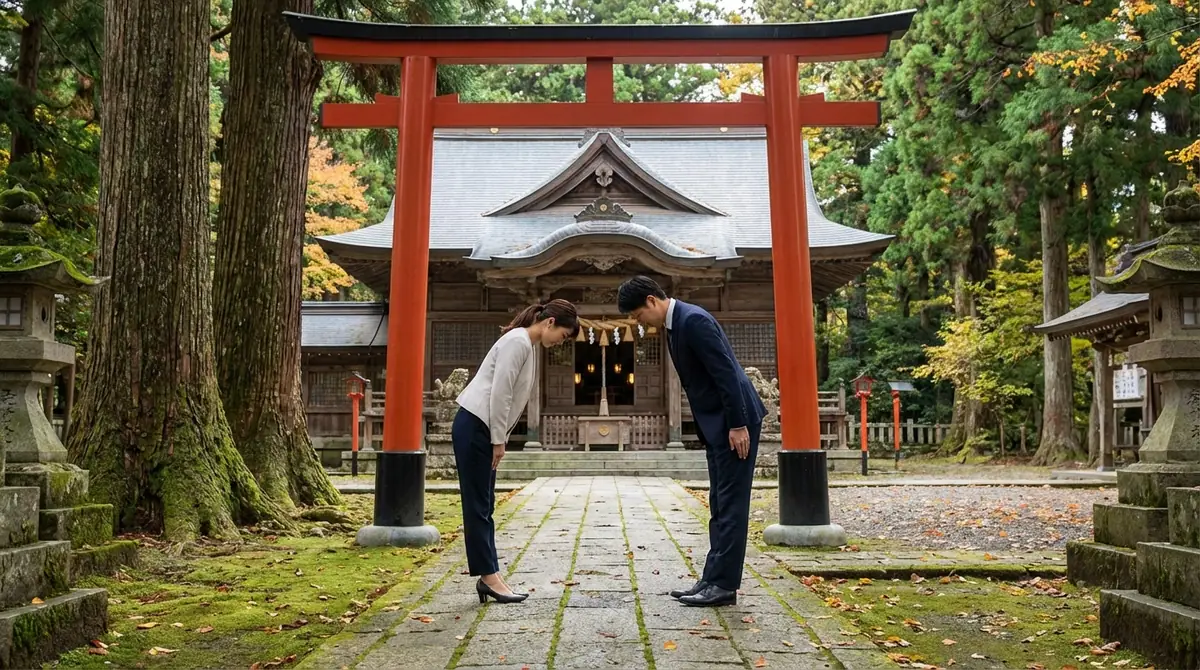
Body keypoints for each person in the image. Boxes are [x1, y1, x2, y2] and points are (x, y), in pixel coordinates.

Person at [617, 276, 765, 607]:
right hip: (719, 425)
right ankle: (713, 578)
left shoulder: (693, 320)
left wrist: (738, 424)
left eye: (639, 315)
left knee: (731, 505)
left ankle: (724, 585)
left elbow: (725, 372)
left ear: (652, 301)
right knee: (718, 502)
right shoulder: (675, 325)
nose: (640, 322)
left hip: (734, 423)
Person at [453, 299, 580, 604]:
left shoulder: (525, 343)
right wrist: (499, 440)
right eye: (563, 335)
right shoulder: (518, 342)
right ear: (549, 322)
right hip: (477, 426)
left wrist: (499, 437)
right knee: (478, 505)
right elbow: (501, 392)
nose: (560, 342)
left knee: (484, 504)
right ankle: (489, 577)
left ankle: (490, 575)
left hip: (482, 428)